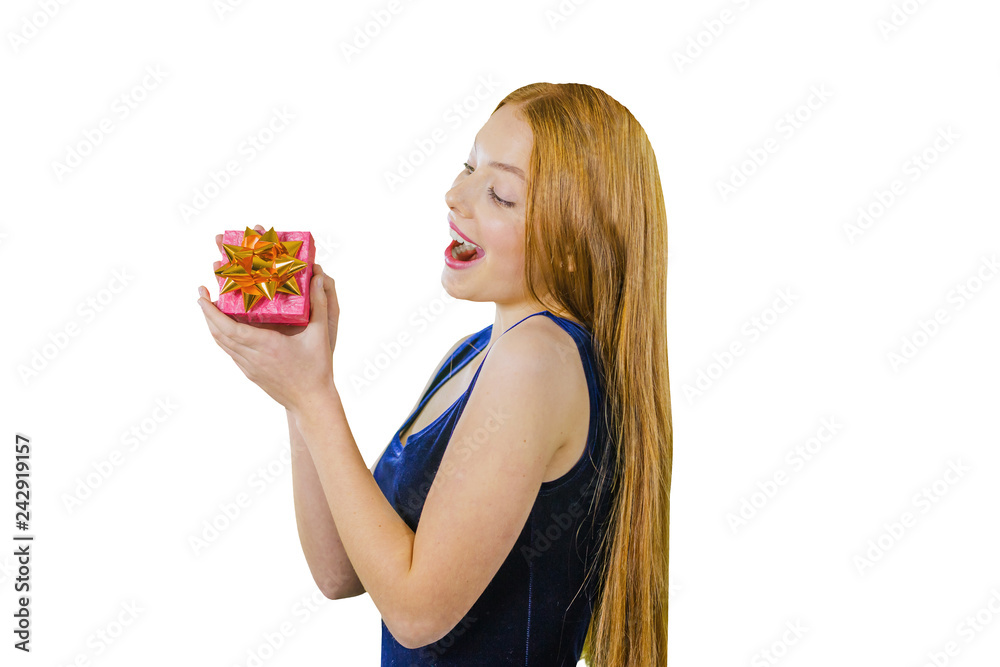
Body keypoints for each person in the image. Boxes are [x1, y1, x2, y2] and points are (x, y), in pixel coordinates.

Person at [198, 82, 672, 666]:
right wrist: (302, 392)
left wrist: (313, 395)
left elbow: (417, 614)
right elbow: (340, 571)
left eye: (499, 194)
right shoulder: (475, 354)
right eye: (467, 168)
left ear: (577, 244)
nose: (455, 195)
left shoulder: (537, 361)